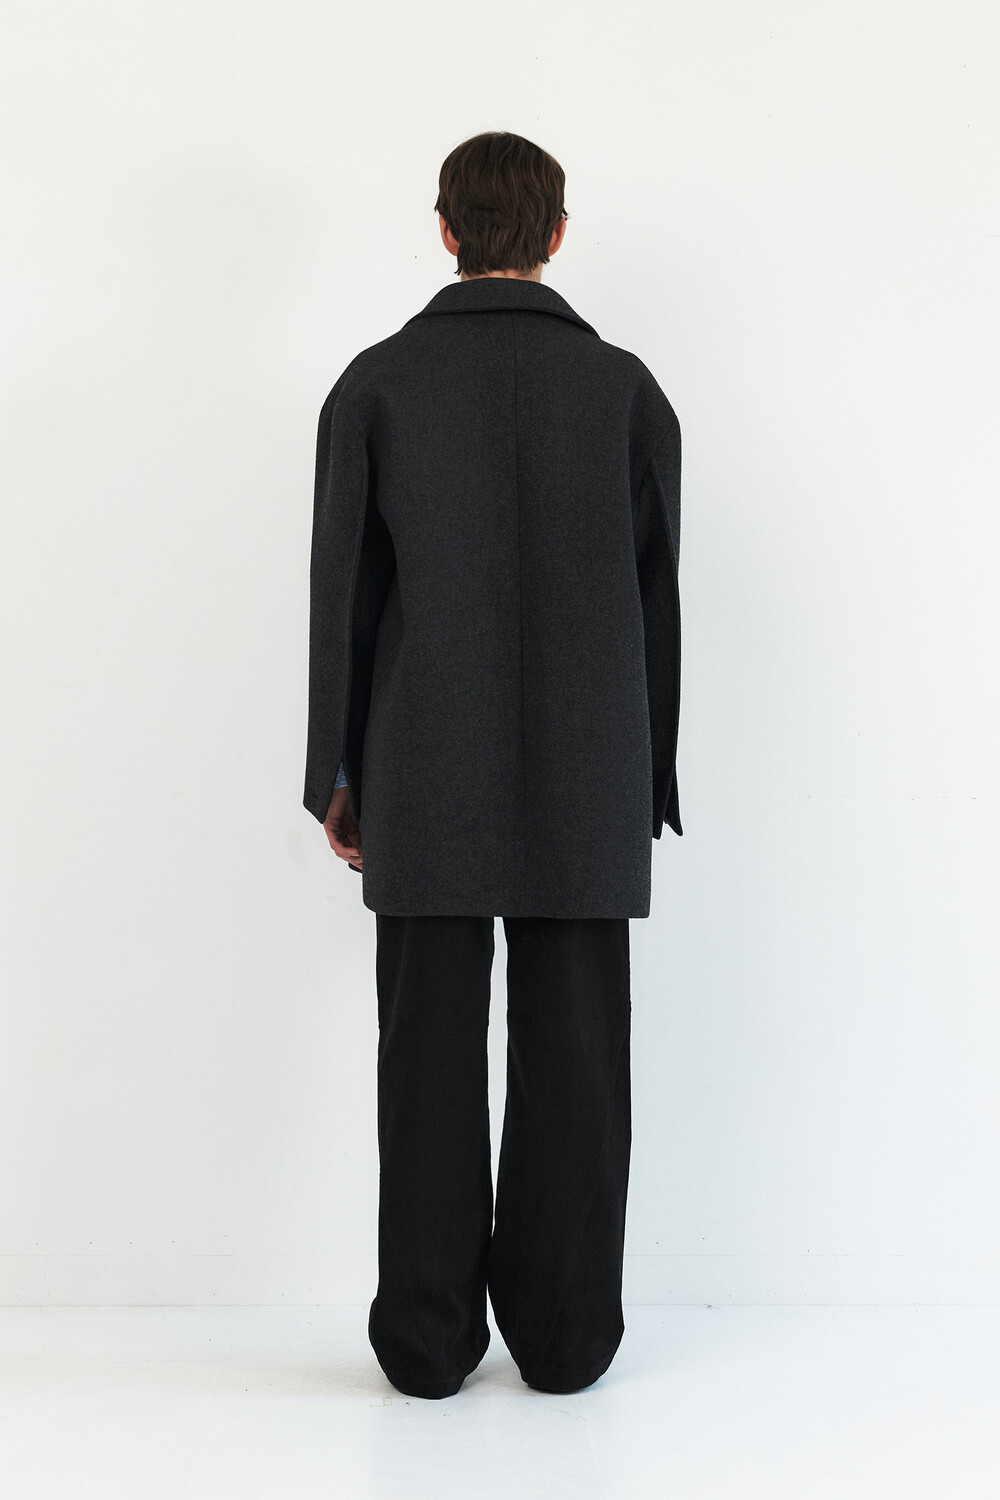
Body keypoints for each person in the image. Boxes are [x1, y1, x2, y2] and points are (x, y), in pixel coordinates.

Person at [303, 131, 683, 1399]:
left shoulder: (376, 384)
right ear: (557, 233)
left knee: (425, 1053)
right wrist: (648, 778)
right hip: (590, 770)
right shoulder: (624, 391)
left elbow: (345, 596)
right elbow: (656, 598)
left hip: (422, 760)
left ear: (445, 228)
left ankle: (424, 1344)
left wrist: (335, 770)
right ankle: (568, 1341)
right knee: (578, 1054)